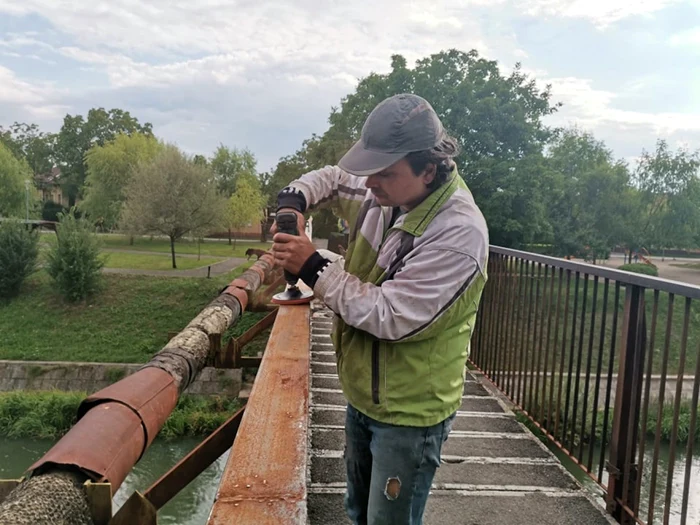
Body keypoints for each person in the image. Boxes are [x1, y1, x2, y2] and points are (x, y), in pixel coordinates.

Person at [271, 93, 489, 525]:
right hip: (364, 395)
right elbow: (335, 177)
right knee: (357, 513)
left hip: (409, 414)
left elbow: (390, 316)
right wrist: (292, 200)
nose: (369, 185)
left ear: (429, 168)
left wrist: (312, 266)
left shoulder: (459, 234)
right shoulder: (388, 190)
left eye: (383, 174)